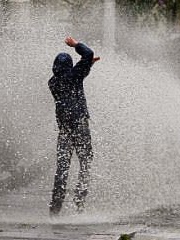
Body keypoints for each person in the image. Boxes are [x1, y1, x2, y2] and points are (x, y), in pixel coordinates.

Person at [48, 37, 100, 215]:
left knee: (62, 168)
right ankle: (79, 201)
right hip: (79, 126)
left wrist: (87, 66)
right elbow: (88, 54)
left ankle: (55, 209)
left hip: (64, 130)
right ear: (70, 66)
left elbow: (77, 76)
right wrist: (76, 45)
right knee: (85, 162)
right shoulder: (73, 76)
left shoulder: (52, 83)